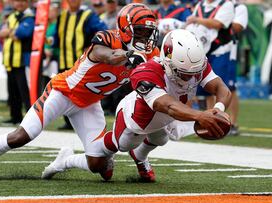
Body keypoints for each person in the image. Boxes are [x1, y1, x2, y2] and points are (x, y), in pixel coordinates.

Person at [0, 3, 160, 184]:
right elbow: (105, 55)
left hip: (89, 104)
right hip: (63, 92)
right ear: (125, 28)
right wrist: (128, 56)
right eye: (140, 31)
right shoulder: (108, 38)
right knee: (21, 136)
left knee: (99, 166)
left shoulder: (149, 53)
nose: (145, 38)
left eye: (148, 32)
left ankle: (63, 162)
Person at [41, 29, 231, 182]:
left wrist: (219, 109)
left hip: (167, 117)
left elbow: (222, 88)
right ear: (167, 61)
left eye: (194, 72)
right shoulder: (146, 73)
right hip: (135, 119)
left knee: (161, 139)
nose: (191, 77)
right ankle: (64, 161)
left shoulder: (194, 65)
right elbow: (168, 105)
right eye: (184, 73)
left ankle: (140, 157)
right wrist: (200, 116)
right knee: (102, 159)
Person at [55, 0, 107, 130]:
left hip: (81, 62)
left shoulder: (88, 16)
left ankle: (90, 123)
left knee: (84, 93)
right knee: (64, 92)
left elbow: (103, 31)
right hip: (63, 59)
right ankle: (68, 122)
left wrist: (92, 47)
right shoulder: (62, 17)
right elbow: (56, 37)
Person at [185, 0, 234, 110]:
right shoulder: (201, 4)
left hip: (219, 50)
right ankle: (201, 118)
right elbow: (191, 24)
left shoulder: (226, 4)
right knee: (199, 88)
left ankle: (217, 117)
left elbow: (218, 23)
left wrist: (196, 19)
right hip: (202, 50)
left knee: (218, 86)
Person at [0, 0, 34, 125]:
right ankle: (15, 116)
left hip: (22, 60)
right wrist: (11, 32)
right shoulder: (13, 16)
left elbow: (23, 33)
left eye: (22, 1)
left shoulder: (30, 17)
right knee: (13, 91)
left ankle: (32, 120)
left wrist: (9, 32)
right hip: (10, 60)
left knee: (25, 92)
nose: (19, 3)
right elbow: (0, 32)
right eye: (17, 1)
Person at [228, 1, 248, 135]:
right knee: (209, 86)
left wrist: (222, 19)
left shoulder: (238, 7)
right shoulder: (211, 5)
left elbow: (237, 27)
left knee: (230, 87)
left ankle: (233, 123)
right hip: (211, 49)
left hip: (229, 50)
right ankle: (212, 121)